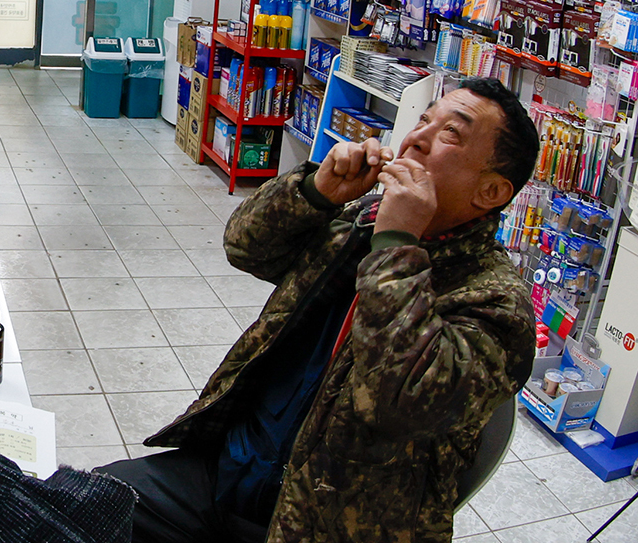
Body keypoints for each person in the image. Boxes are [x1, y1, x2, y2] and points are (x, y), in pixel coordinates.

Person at [98, 78, 539, 543]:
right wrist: (317, 191)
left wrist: (396, 245)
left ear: (491, 192)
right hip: (228, 471)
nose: (417, 138)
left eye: (451, 134)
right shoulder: (362, 219)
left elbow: (399, 402)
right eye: (425, 119)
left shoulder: (497, 305)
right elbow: (246, 248)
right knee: (71, 506)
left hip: (325, 523)